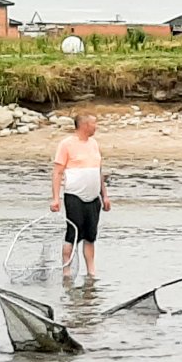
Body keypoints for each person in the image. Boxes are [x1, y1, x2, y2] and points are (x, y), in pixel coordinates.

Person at [51, 114, 111, 276]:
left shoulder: (94, 144)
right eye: (94, 123)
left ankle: (91, 272)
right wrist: (56, 198)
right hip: (74, 196)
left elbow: (98, 171)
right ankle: (67, 271)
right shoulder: (66, 144)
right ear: (84, 125)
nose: (96, 126)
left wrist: (104, 195)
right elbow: (57, 172)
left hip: (93, 198)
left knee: (90, 236)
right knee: (73, 233)